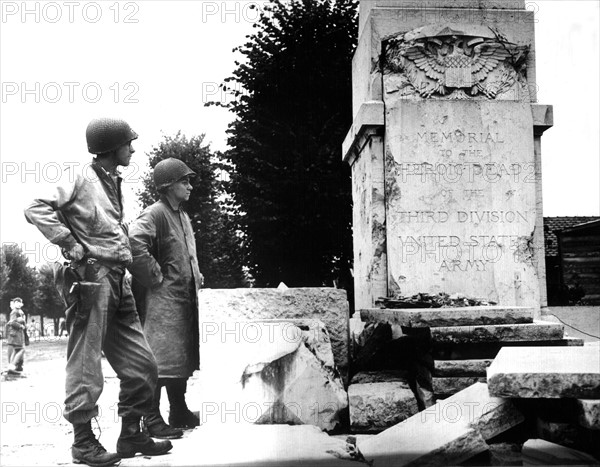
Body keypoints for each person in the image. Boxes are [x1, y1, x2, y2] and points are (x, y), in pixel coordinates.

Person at [24, 118, 172, 467]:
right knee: (85, 364)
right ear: (111, 147)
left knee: (144, 365)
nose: (132, 149)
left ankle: (131, 433)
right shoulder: (80, 178)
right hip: (92, 278)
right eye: (128, 143)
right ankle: (83, 442)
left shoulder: (114, 182)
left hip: (119, 281)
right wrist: (68, 241)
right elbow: (35, 208)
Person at [128, 158, 202, 439]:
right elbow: (134, 242)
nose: (190, 186)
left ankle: (179, 409)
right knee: (158, 360)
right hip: (164, 301)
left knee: (180, 357)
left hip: (184, 299)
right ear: (168, 185)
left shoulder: (181, 215)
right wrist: (155, 277)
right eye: (185, 181)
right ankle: (151, 417)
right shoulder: (155, 213)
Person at [5, 298, 27, 374]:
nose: (18, 304)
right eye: (16, 302)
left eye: (19, 302)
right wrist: (20, 326)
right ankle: (13, 366)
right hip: (16, 334)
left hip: (18, 334)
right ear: (14, 304)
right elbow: (12, 322)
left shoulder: (19, 311)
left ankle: (12, 367)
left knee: (16, 350)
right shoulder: (14, 312)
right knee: (21, 349)